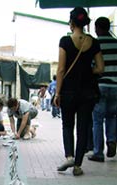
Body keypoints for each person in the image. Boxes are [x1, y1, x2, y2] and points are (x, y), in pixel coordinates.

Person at [53, 7, 104, 176]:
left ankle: (69, 156)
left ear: (72, 23)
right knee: (83, 127)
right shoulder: (93, 42)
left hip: (68, 91)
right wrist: (88, 71)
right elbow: (100, 68)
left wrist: (57, 93)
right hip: (88, 92)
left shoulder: (65, 41)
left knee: (67, 124)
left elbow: (60, 70)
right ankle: (78, 165)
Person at [88, 17, 117, 162]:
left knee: (97, 119)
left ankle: (98, 152)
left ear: (98, 28)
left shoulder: (96, 44)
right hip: (116, 87)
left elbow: (93, 67)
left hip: (100, 86)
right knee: (112, 116)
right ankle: (111, 140)